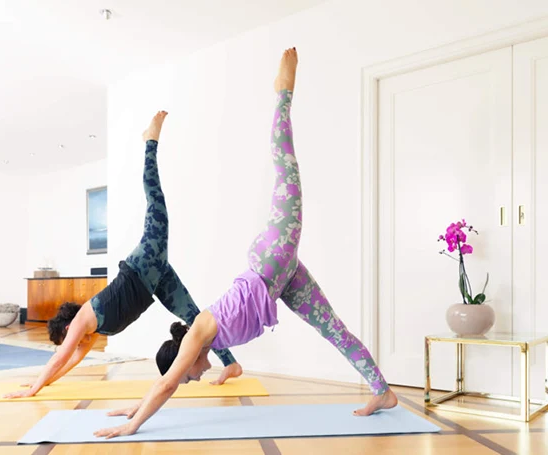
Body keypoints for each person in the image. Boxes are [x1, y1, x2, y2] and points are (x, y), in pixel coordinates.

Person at [94, 48, 397, 439]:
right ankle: (382, 391)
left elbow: (167, 384)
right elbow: (166, 383)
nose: (196, 378)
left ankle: (283, 93)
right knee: (334, 330)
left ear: (185, 361)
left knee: (286, 168)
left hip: (272, 260)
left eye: (191, 377)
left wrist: (133, 425)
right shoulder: (205, 343)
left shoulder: (198, 332)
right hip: (281, 281)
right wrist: (132, 406)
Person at [4, 112, 243, 399]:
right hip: (154, 281)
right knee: (197, 319)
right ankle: (232, 364)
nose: (71, 344)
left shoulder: (82, 322)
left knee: (156, 203)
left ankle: (150, 141)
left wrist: (32, 389)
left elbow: (59, 358)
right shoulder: (90, 336)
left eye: (65, 339)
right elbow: (69, 362)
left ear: (68, 328)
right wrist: (43, 385)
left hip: (142, 265)